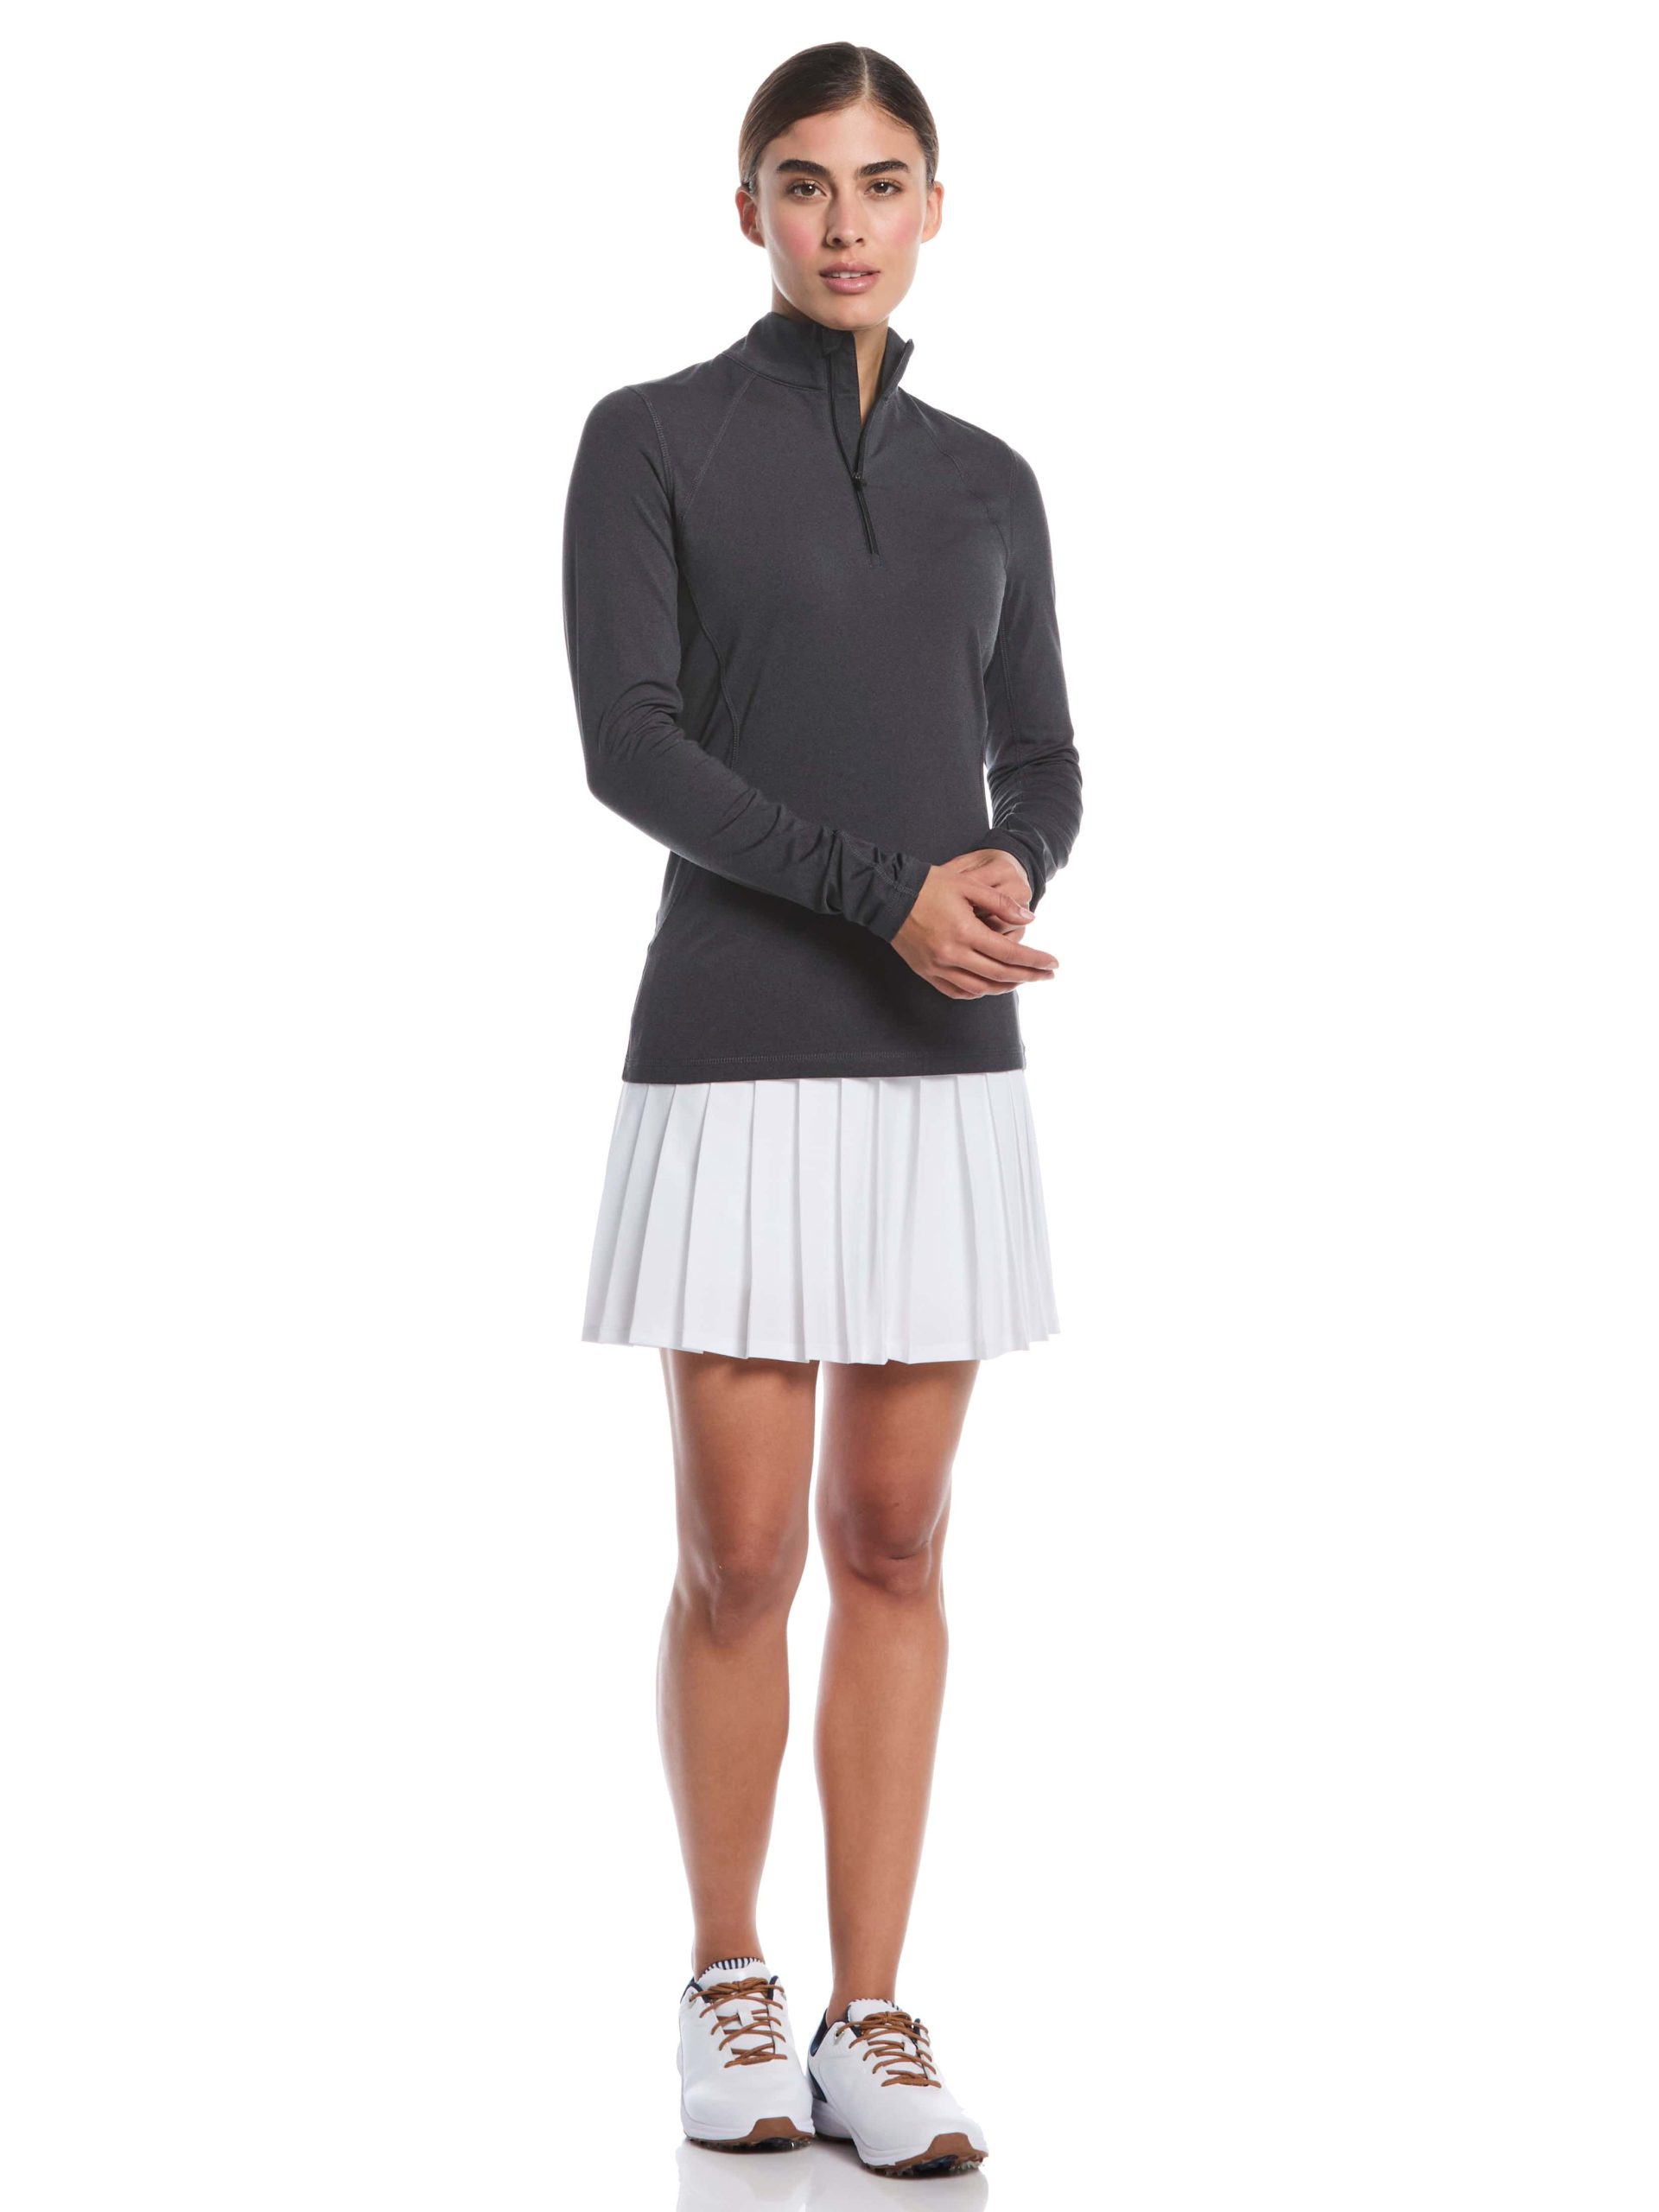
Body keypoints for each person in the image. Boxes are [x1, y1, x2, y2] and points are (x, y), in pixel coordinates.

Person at [560, 41, 1082, 2180]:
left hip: (941, 1060)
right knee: (741, 1550)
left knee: (895, 1541)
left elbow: (1044, 754)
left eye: (881, 182)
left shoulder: (989, 479)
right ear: (748, 209)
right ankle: (729, 1977)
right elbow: (633, 744)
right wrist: (888, 892)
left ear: (935, 205)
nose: (845, 221)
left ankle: (874, 2010)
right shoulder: (652, 439)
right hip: (738, 1037)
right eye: (803, 181)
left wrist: (1010, 871)